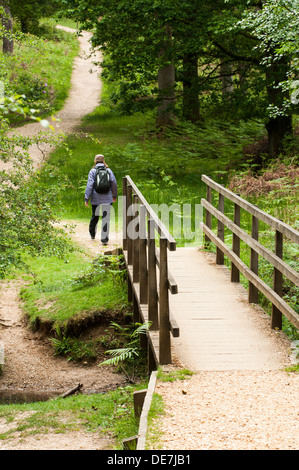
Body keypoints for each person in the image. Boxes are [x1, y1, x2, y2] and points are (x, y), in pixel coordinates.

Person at [85, 154, 117, 245]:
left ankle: (92, 234)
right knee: (105, 218)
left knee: (95, 217)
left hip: (96, 199)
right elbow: (113, 183)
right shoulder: (109, 170)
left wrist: (87, 198)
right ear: (103, 161)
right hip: (107, 198)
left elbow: (90, 185)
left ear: (95, 161)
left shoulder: (92, 171)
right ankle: (104, 240)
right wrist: (114, 195)